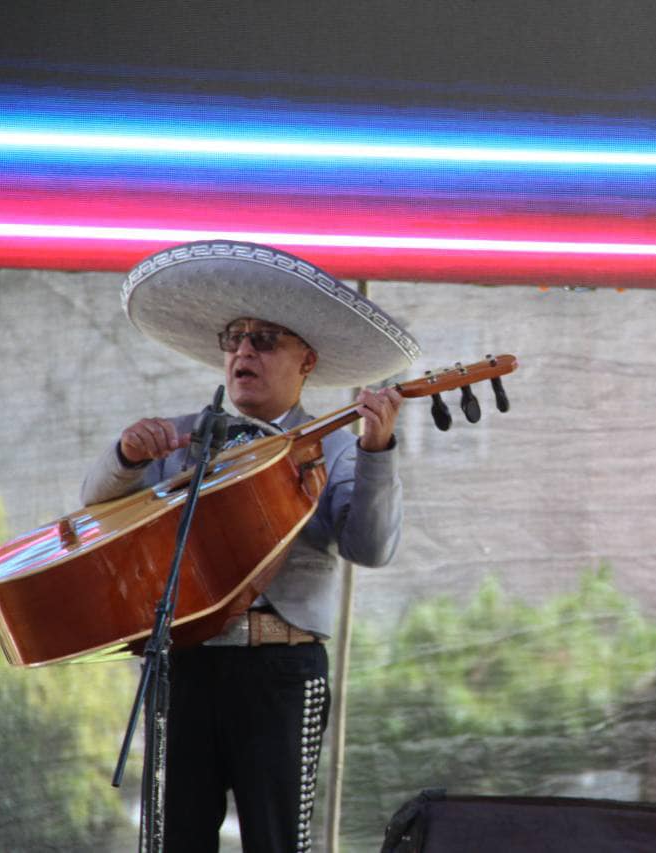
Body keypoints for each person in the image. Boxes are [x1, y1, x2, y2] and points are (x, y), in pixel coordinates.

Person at [81, 241, 421, 852]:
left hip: (280, 671)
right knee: (172, 840)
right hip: (183, 662)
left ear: (307, 361)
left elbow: (370, 548)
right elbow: (97, 509)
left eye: (265, 340)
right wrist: (127, 457)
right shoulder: (182, 438)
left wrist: (377, 452)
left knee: (276, 842)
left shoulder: (338, 446)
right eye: (236, 337)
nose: (244, 350)